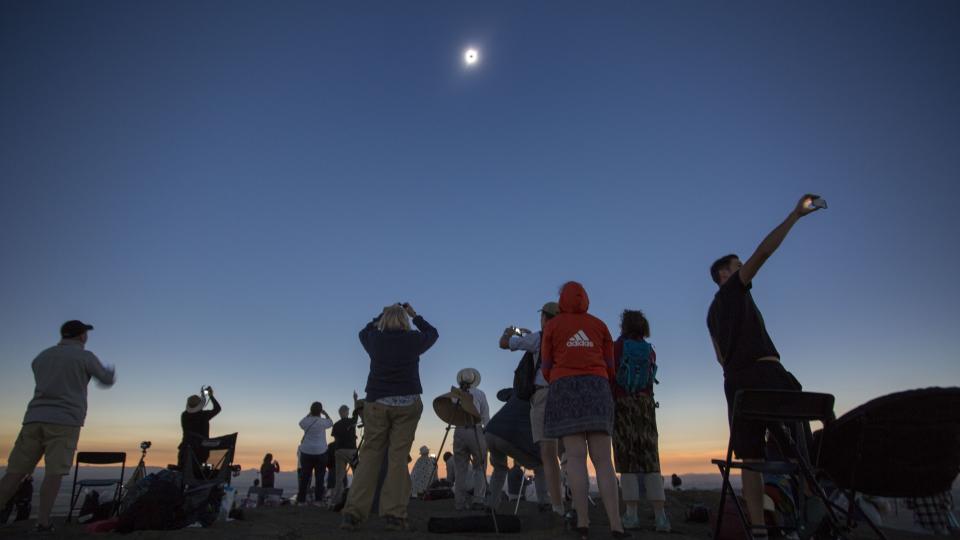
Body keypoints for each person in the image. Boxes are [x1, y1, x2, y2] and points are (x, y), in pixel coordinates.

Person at [707, 194, 823, 536]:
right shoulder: (734, 292)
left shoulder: (712, 312)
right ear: (726, 274)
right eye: (738, 265)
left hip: (737, 385)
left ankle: (758, 527)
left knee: (751, 460)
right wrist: (794, 216)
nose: (745, 269)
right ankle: (809, 502)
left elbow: (719, 357)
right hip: (767, 375)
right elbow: (765, 252)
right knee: (799, 449)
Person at [0, 320, 116, 534]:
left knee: (15, 472)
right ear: (81, 336)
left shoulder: (42, 357)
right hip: (65, 421)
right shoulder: (84, 356)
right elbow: (105, 379)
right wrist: (110, 372)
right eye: (85, 334)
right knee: (54, 473)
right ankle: (43, 523)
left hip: (33, 418)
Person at [340, 302, 438, 532]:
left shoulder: (374, 339)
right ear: (405, 321)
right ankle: (394, 515)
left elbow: (362, 331)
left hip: (377, 403)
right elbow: (433, 333)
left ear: (384, 320)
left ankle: (353, 513)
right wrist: (415, 315)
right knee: (397, 458)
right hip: (407, 404)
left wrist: (379, 316)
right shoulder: (413, 340)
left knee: (370, 457)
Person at [542, 282, 626, 539]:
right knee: (603, 460)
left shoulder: (553, 326)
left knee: (576, 459)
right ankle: (616, 525)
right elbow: (611, 364)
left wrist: (558, 377)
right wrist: (600, 379)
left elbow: (546, 364)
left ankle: (583, 521)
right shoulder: (599, 325)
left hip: (565, 388)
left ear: (561, 300)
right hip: (597, 386)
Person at [498, 301, 564, 515]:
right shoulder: (566, 337)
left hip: (544, 394)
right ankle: (574, 502)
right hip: (567, 395)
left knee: (547, 451)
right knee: (571, 451)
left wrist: (510, 332)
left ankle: (557, 506)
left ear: (544, 317)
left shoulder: (539, 337)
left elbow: (504, 343)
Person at [611, 309, 670, 532]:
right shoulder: (649, 351)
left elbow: (611, 375)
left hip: (623, 406)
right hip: (645, 407)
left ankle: (632, 514)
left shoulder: (617, 348)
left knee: (627, 460)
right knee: (651, 459)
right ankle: (661, 516)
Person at [484, 389, 547, 510]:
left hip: (490, 432)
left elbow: (501, 394)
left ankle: (490, 505)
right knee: (540, 466)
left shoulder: (516, 396)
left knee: (499, 469)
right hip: (507, 435)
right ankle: (544, 503)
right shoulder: (538, 400)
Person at [452, 367, 490, 511]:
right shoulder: (480, 394)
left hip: (459, 430)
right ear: (474, 381)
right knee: (480, 466)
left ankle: (460, 502)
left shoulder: (454, 395)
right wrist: (486, 433)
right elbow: (485, 416)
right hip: (475, 429)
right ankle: (478, 499)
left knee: (460, 468)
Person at [298, 401, 334, 505]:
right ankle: (318, 500)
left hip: (306, 452)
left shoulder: (307, 421)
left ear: (311, 410)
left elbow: (300, 423)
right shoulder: (323, 422)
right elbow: (331, 422)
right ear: (320, 411)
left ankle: (301, 500)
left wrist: (309, 414)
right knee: (320, 477)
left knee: (305, 477)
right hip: (321, 452)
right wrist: (325, 413)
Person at [179, 386, 221, 471]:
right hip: (201, 458)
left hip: (184, 455)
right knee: (210, 469)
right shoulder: (203, 415)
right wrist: (210, 395)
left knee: (185, 470)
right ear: (200, 406)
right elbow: (217, 408)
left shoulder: (184, 415)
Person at [330, 392, 361, 506]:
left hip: (339, 451)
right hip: (351, 451)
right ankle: (358, 499)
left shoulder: (336, 425)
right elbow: (357, 413)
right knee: (357, 473)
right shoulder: (351, 421)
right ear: (346, 412)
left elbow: (335, 438)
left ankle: (336, 500)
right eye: (347, 411)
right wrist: (355, 400)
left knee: (339, 477)